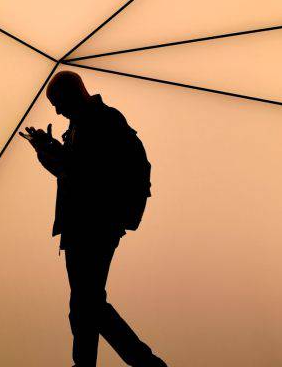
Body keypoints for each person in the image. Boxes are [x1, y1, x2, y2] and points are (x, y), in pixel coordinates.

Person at [20, 71, 167, 367]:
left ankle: (145, 364)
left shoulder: (102, 121)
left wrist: (53, 152)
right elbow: (73, 172)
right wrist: (48, 151)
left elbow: (87, 174)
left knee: (87, 304)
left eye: (58, 103)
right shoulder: (85, 124)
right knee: (86, 304)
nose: (57, 112)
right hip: (86, 225)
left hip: (94, 226)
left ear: (73, 94)